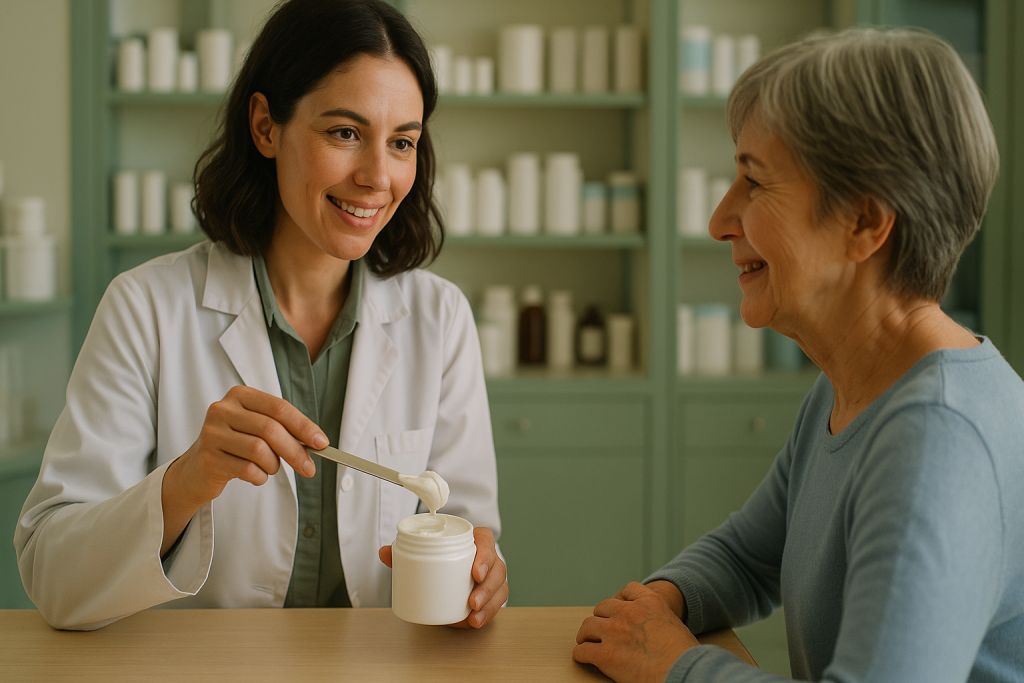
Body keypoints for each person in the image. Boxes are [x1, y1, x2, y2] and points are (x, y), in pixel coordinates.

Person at [15, 0, 507, 631]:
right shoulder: (145, 308)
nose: (377, 177)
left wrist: (478, 573)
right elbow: (54, 578)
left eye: (402, 142)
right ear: (266, 126)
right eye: (344, 133)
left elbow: (469, 525)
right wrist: (188, 480)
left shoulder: (439, 318)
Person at [573, 28, 1024, 683]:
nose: (720, 218)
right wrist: (659, 604)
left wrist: (675, 664)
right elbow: (751, 553)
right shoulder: (856, 384)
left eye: (753, 183)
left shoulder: (938, 440)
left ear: (866, 222)